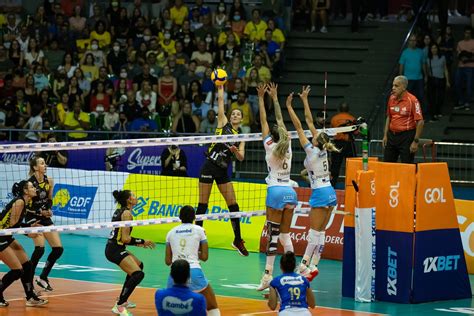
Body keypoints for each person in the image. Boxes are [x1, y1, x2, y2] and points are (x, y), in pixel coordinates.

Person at [286, 86, 340, 281]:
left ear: (316, 140)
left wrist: (289, 107)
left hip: (320, 192)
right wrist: (305, 99)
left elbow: (300, 126)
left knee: (314, 232)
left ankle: (304, 264)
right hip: (331, 193)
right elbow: (309, 121)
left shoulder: (311, 149)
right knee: (321, 231)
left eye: (315, 134)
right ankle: (315, 265)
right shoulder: (323, 148)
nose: (312, 133)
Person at [196, 84, 248, 256]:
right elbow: (220, 101)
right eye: (233, 113)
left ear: (241, 119)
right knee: (202, 205)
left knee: (233, 205)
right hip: (209, 165)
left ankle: (237, 239)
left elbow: (241, 157)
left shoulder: (241, 137)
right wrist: (220, 86)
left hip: (223, 170)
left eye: (238, 114)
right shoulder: (222, 124)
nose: (235, 115)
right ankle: (196, 240)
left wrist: (235, 151)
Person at [256, 83, 297, 291]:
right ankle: (293, 275)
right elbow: (280, 121)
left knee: (272, 237)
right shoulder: (288, 144)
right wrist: (276, 98)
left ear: (272, 136)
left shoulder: (270, 146)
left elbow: (264, 120)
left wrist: (261, 98)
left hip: (275, 191)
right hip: (290, 193)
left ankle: (267, 276)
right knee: (285, 235)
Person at [105, 190, 155, 316]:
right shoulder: (126, 213)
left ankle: (123, 300)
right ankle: (119, 306)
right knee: (138, 274)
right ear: (128, 200)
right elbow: (125, 238)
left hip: (116, 247)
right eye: (133, 195)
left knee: (139, 265)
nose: (136, 197)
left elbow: (123, 238)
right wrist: (142, 241)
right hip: (114, 249)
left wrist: (136, 242)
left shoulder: (121, 210)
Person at [0, 181, 49, 307]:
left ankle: (30, 297)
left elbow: (14, 225)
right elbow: (12, 225)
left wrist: (29, 226)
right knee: (17, 271)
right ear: (25, 191)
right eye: (32, 187)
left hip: (6, 235)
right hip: (1, 236)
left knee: (27, 265)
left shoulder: (26, 202)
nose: (35, 188)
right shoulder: (20, 202)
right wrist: (28, 232)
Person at [165, 205, 220, 315]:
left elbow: (168, 261)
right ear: (194, 217)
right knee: (212, 306)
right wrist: (193, 253)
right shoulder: (200, 230)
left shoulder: (170, 232)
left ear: (180, 217)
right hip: (193, 271)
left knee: (176, 309)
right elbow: (205, 257)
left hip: (174, 275)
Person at [26, 156, 63, 292]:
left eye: (45, 163)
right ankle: (28, 281)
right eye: (42, 163)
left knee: (58, 249)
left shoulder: (49, 181)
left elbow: (49, 199)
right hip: (32, 219)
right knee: (40, 249)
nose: (45, 165)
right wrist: (40, 212)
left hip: (44, 217)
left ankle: (42, 277)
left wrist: (48, 210)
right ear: (35, 167)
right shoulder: (29, 184)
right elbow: (25, 205)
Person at [383, 76, 424, 164]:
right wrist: (385, 135)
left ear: (404, 87)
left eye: (396, 86)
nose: (393, 88)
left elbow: (420, 121)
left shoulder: (413, 100)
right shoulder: (391, 98)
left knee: (407, 166)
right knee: (387, 165)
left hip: (406, 137)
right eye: (393, 85)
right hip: (391, 136)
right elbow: (389, 117)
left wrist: (415, 141)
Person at [329, 101, 357, 186]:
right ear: (348, 109)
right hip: (349, 145)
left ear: (339, 109)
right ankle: (352, 185)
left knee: (335, 166)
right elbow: (356, 132)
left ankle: (332, 185)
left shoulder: (334, 118)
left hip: (337, 145)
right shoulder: (352, 119)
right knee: (351, 165)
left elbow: (331, 131)